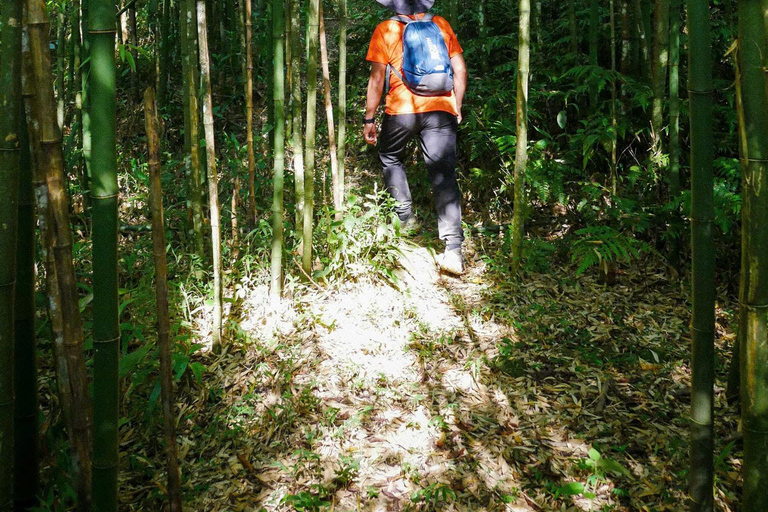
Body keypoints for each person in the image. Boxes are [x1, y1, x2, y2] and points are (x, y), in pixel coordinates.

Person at [364, 0, 468, 275]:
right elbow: (460, 70)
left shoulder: (386, 29)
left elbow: (376, 79)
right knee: (444, 174)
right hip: (441, 108)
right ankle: (453, 250)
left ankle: (405, 218)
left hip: (402, 110)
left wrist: (369, 118)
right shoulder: (440, 24)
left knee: (390, 156)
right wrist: (456, 105)